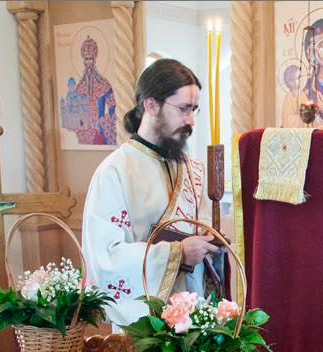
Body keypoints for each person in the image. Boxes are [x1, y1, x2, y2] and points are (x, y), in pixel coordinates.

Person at [83, 58, 225, 328]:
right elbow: (106, 257)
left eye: (194, 110)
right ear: (151, 105)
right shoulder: (115, 171)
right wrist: (177, 253)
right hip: (144, 323)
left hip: (194, 315)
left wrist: (210, 243)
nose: (191, 120)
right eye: (183, 109)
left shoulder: (192, 167)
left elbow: (201, 226)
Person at [74, 35, 116, 146]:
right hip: (84, 133)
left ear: (94, 60)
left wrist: (100, 123)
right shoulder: (79, 88)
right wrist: (81, 124)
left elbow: (112, 108)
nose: (89, 63)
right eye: (86, 59)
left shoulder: (104, 84)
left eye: (90, 59)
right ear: (83, 61)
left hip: (100, 131)